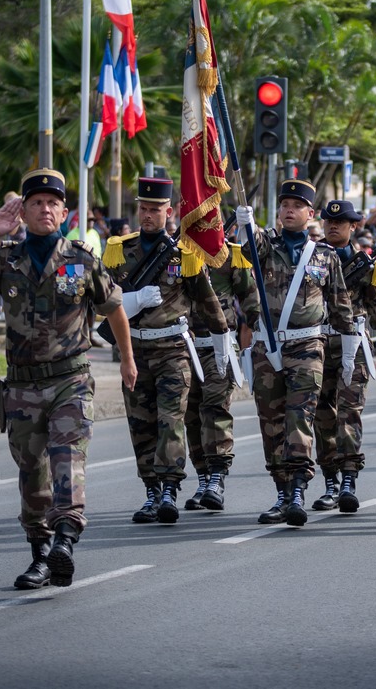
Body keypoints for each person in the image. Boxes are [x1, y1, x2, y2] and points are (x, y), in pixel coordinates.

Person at [0, 168, 137, 590]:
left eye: (52, 203)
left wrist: (127, 359)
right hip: (23, 386)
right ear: (23, 211)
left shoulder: (82, 259)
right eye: (36, 202)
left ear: (64, 212)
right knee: (32, 472)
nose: (45, 209)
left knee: (67, 458)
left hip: (71, 378)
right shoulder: (6, 258)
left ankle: (65, 541)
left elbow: (114, 309)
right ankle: (40, 553)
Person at [103, 177, 230, 525]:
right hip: (135, 349)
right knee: (140, 424)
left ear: (169, 212)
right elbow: (103, 301)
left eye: (155, 210)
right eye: (143, 208)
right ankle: (151, 492)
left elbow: (206, 301)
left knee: (170, 421)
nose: (147, 215)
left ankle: (170, 489)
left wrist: (221, 339)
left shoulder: (184, 254)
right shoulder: (119, 251)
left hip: (174, 350)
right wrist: (132, 301)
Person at [235, 179, 354, 527]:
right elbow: (246, 244)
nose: (289, 210)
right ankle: (282, 491)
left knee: (298, 418)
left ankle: (299, 489)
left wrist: (349, 352)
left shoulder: (324, 256)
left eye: (296, 206)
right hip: (268, 347)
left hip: (307, 346)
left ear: (310, 214)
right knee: (271, 423)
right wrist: (245, 221)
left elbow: (341, 306)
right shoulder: (264, 247)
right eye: (284, 204)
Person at [310, 199, 376, 513]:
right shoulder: (309, 257)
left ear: (353, 226)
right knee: (321, 415)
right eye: (329, 222)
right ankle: (330, 480)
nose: (333, 226)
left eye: (340, 222)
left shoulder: (366, 263)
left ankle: (348, 481)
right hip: (315, 343)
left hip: (352, 346)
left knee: (349, 413)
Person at [183, 220, 256, 512]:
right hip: (185, 346)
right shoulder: (179, 254)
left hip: (219, 345)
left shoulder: (230, 257)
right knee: (190, 414)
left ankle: (216, 477)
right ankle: (202, 476)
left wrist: (257, 334)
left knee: (215, 409)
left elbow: (249, 297)